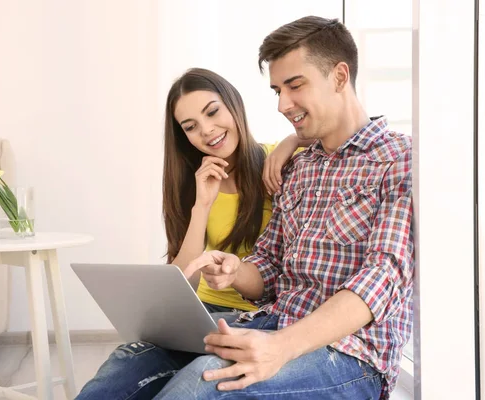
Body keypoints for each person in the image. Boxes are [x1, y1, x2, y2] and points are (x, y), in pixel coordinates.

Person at [77, 16, 413, 400]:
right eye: (277, 90)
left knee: (203, 381)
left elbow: (384, 278)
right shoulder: (301, 167)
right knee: (131, 361)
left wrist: (282, 345)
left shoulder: (400, 158)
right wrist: (236, 270)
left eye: (295, 86)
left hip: (350, 355)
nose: (283, 104)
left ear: (339, 76)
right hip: (272, 322)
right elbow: (269, 267)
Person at [161, 68, 311, 315]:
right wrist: (202, 206)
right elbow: (182, 282)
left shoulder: (282, 162)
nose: (207, 130)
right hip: (207, 309)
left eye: (212, 112)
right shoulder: (193, 183)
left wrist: (293, 140)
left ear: (234, 105)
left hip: (267, 313)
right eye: (190, 127)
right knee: (126, 355)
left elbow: (339, 136)